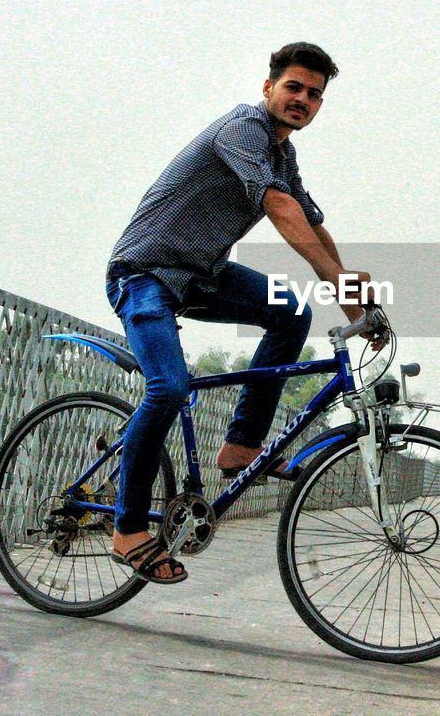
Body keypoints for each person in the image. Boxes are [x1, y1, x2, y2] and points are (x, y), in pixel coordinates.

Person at [103, 42, 376, 584]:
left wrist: (352, 289)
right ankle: (127, 527)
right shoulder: (243, 129)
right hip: (146, 273)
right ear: (268, 87)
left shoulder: (283, 154)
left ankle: (241, 445)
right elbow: (277, 207)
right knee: (169, 389)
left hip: (202, 276)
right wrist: (336, 281)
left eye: (314, 95)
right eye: (293, 87)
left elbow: (307, 217)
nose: (302, 100)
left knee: (292, 313)